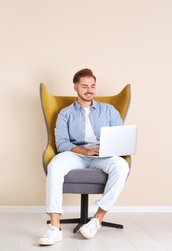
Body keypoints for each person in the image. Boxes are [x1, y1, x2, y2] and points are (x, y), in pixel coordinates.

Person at [38, 68, 130, 246]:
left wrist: (105, 149)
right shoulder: (65, 113)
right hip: (76, 154)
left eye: (93, 86)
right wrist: (86, 151)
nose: (90, 90)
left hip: (103, 155)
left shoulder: (109, 110)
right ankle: (55, 228)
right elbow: (62, 144)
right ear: (75, 88)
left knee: (121, 166)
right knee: (55, 165)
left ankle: (96, 220)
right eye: (85, 86)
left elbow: (121, 136)